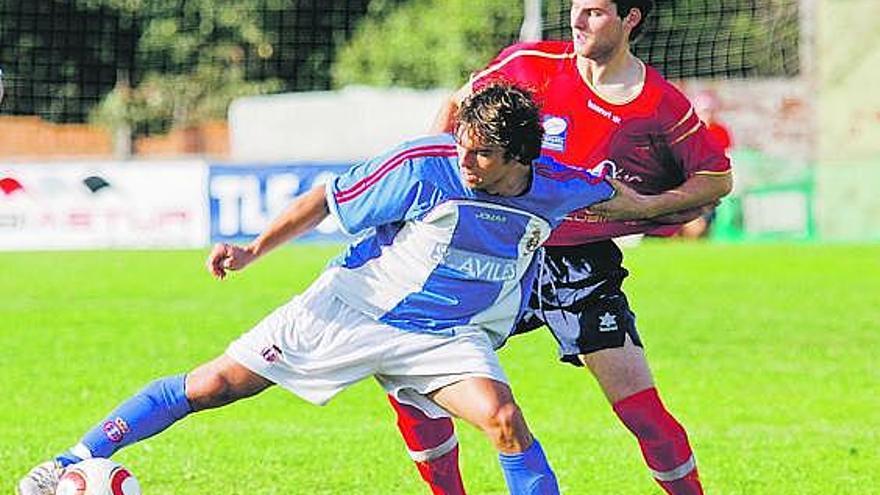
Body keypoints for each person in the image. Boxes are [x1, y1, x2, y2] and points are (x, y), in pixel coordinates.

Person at [17, 83, 622, 495]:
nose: (464, 158)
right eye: (462, 144)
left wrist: (697, 193)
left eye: (481, 152)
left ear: (517, 155)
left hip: (443, 336)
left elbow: (632, 199)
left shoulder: (555, 184)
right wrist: (252, 249)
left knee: (504, 418)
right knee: (212, 385)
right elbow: (323, 200)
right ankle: (69, 463)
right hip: (351, 308)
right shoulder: (423, 164)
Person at [386, 2, 733, 494]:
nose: (577, 21)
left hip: (581, 267)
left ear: (630, 18)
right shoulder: (529, 65)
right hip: (497, 251)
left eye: (594, 12)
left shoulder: (660, 104)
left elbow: (717, 179)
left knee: (643, 412)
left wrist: (647, 205)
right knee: (413, 378)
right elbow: (458, 106)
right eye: (575, 9)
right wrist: (431, 180)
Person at [679, 89, 734, 239]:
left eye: (710, 111)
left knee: (709, 216)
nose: (708, 114)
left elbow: (727, 156)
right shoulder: (689, 131)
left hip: (712, 182)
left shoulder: (720, 131)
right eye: (704, 111)